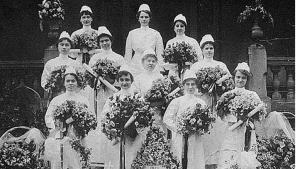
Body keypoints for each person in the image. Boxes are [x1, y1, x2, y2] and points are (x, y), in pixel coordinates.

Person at [189, 34, 230, 167]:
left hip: (217, 101)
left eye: (211, 48)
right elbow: (190, 85)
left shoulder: (220, 65)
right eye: (206, 48)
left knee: (218, 128)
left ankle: (217, 161)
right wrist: (203, 90)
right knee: (204, 128)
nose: (209, 51)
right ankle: (203, 161)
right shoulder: (196, 66)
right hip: (202, 100)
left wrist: (219, 87)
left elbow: (228, 83)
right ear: (201, 50)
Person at [44, 66, 92, 169]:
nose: (70, 83)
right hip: (60, 134)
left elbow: (89, 117)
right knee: (60, 161)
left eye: (73, 81)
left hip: (78, 135)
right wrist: (58, 125)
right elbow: (48, 117)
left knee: (77, 160)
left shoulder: (83, 100)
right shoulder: (57, 100)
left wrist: (80, 125)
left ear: (77, 83)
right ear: (64, 83)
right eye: (68, 81)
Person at [93, 67, 139, 169]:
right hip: (116, 135)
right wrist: (112, 126)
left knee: (131, 158)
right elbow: (105, 114)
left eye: (127, 80)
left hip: (132, 135)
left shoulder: (137, 97)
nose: (124, 82)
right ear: (117, 81)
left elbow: (142, 114)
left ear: (132, 81)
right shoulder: (113, 97)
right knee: (115, 158)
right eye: (121, 80)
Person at [217, 62, 261, 169]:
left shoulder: (252, 95)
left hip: (246, 129)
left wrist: (246, 117)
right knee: (229, 153)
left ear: (247, 79)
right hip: (230, 130)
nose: (240, 80)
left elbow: (259, 114)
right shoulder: (227, 95)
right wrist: (234, 118)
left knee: (245, 154)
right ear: (234, 78)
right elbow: (220, 114)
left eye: (243, 78)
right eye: (238, 77)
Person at [163, 69, 206, 169]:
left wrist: (198, 127)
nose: (190, 87)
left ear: (196, 85)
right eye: (188, 84)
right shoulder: (177, 101)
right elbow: (167, 119)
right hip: (180, 136)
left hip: (195, 137)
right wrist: (179, 128)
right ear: (184, 85)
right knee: (179, 160)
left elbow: (205, 121)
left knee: (194, 160)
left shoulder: (201, 102)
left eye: (193, 84)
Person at [88, 26, 125, 119]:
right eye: (102, 41)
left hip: (114, 89)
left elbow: (123, 75)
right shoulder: (95, 58)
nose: (104, 43)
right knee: (100, 113)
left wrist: (112, 81)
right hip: (99, 90)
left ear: (111, 41)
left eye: (106, 40)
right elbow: (90, 76)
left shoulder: (118, 58)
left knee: (113, 112)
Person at [124, 4, 164, 77]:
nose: (144, 19)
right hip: (136, 65)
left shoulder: (156, 33)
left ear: (150, 18)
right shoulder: (132, 33)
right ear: (138, 18)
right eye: (141, 17)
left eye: (146, 17)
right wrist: (127, 68)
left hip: (151, 63)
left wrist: (160, 68)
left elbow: (160, 52)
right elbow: (128, 53)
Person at [132, 48, 165, 129]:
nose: (151, 63)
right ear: (143, 62)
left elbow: (164, 92)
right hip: (145, 111)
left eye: (153, 61)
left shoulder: (160, 77)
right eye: (148, 61)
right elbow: (135, 95)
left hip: (158, 110)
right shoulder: (138, 78)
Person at [41, 31, 80, 97]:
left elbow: (80, 82)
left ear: (70, 47)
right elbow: (44, 81)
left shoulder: (75, 64)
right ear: (58, 46)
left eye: (67, 45)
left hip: (71, 95)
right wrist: (53, 87)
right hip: (55, 95)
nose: (64, 47)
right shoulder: (51, 63)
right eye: (62, 44)